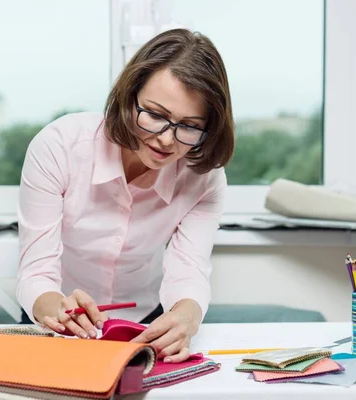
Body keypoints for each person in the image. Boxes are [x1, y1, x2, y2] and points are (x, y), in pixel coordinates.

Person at [17, 28, 234, 363]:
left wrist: (187, 318)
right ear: (128, 95)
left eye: (189, 126)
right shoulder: (59, 147)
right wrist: (55, 308)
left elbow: (189, 269)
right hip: (55, 319)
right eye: (156, 115)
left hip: (146, 327)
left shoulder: (203, 178)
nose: (166, 139)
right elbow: (36, 271)